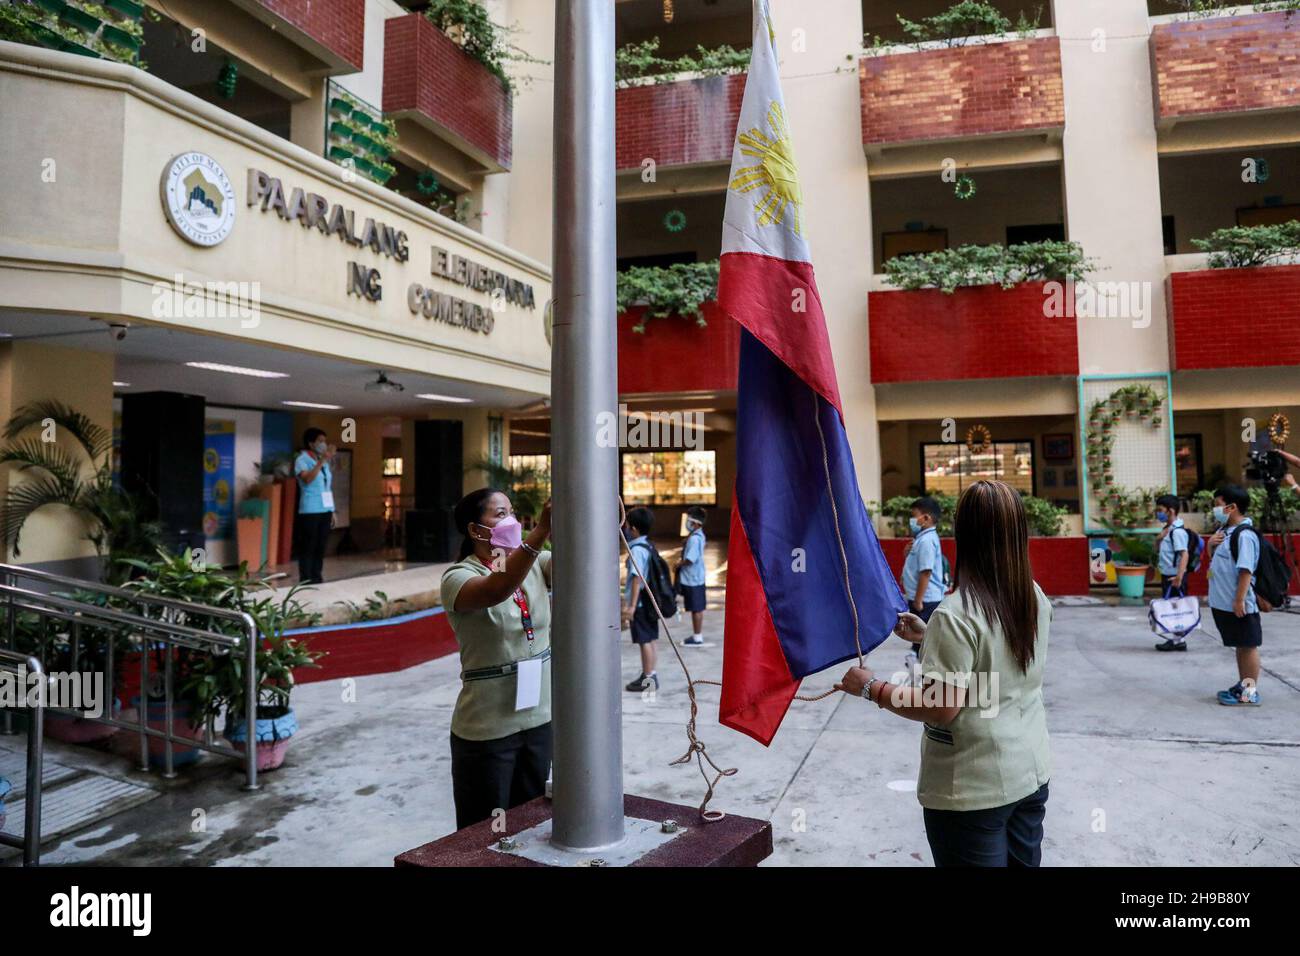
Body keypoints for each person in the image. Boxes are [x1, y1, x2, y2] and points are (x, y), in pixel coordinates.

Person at [837, 480, 1052, 867]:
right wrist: (928, 635)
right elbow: (994, 668)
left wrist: (872, 687)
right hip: (1030, 772)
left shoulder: (956, 614)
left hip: (974, 789)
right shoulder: (1033, 595)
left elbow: (940, 707)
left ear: (963, 534)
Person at [440, 489, 553, 829]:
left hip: (539, 718)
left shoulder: (534, 563)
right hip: (487, 729)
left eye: (512, 512)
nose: (512, 521)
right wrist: (541, 532)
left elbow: (585, 565)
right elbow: (496, 588)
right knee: (484, 831)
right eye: (501, 514)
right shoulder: (457, 577)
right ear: (476, 531)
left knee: (532, 822)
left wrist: (594, 518)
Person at [1205, 484, 1262, 706]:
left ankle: (1249, 692)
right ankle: (1243, 685)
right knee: (1240, 644)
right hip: (1225, 602)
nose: (1215, 509)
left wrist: (1239, 600)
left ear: (1232, 507)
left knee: (1248, 646)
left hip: (1239, 603)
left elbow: (1246, 570)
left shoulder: (1245, 535)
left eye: (1218, 504)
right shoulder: (1224, 532)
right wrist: (1210, 545)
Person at [622, 506, 659, 692]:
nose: (626, 529)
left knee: (644, 640)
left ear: (634, 528)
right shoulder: (649, 545)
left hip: (641, 603)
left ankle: (648, 680)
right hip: (650, 601)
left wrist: (632, 606)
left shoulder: (637, 550)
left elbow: (637, 579)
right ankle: (651, 673)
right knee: (651, 639)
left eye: (627, 525)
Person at [293, 428, 335, 584]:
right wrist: (321, 461)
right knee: (308, 545)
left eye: (325, 441)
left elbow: (327, 486)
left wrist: (332, 510)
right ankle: (305, 577)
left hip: (325, 508)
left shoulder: (324, 462)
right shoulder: (302, 460)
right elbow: (308, 479)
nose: (323, 444)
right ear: (310, 443)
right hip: (310, 509)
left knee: (320, 544)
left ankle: (317, 576)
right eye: (320, 441)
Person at [1153, 493, 1192, 652]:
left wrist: (1179, 577)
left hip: (1175, 576)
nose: (1158, 513)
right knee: (1171, 607)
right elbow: (1156, 550)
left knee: (1177, 608)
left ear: (1170, 511)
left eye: (1160, 510)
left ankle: (1179, 640)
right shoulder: (1167, 530)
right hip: (1168, 574)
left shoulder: (1177, 532)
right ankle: (1176, 639)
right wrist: (1159, 539)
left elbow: (1185, 554)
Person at [677, 506, 709, 647]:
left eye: (689, 520)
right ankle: (697, 635)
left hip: (693, 579)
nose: (687, 523)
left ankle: (697, 636)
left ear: (695, 523)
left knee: (696, 607)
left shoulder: (695, 539)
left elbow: (690, 559)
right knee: (697, 607)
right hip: (696, 577)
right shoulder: (698, 536)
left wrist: (679, 564)